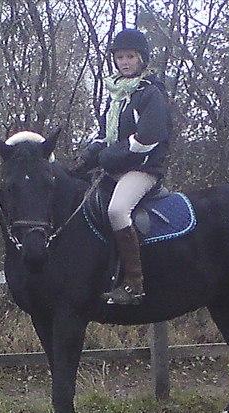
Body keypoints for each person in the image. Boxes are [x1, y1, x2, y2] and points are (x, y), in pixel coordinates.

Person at [80, 28, 173, 305]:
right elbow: (104, 135)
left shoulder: (150, 94)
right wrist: (88, 156)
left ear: (142, 59)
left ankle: (134, 285)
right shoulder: (116, 95)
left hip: (143, 170)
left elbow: (147, 139)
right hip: (116, 169)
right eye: (120, 57)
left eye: (130, 56)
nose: (125, 62)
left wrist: (111, 155)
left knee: (117, 210)